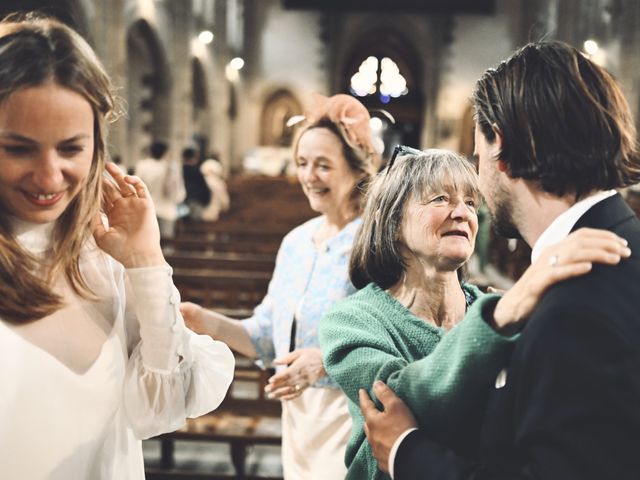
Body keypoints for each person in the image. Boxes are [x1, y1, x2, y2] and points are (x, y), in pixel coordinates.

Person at [359, 41, 640, 480]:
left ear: (501, 148)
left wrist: (406, 452)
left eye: (476, 155)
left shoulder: (575, 303)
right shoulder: (624, 244)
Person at [0, 15, 234, 479]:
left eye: (70, 149)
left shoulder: (101, 261)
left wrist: (146, 262)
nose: (49, 178)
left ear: (98, 146)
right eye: (18, 148)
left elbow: (159, 408)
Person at [319, 146, 628, 479]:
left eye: (470, 202)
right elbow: (397, 406)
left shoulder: (495, 311)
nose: (462, 213)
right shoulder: (352, 321)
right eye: (440, 199)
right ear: (393, 222)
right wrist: (502, 314)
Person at [180, 93, 381, 479]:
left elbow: (395, 339)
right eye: (303, 164)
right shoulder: (296, 243)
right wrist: (206, 321)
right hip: (299, 417)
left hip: (353, 416)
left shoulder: (376, 243)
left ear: (357, 170)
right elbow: (267, 338)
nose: (309, 176)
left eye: (323, 165)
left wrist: (323, 360)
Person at [135, 140, 186, 238]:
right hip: (166, 211)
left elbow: (136, 186)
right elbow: (179, 195)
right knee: (166, 246)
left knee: (147, 243)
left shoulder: (142, 165)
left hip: (146, 210)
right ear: (166, 152)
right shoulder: (171, 167)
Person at [181, 146, 211, 220]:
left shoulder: (179, 171)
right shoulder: (197, 172)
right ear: (195, 158)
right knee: (193, 226)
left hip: (181, 203)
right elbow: (205, 190)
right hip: (195, 203)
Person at [200, 152, 230, 221]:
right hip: (213, 213)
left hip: (199, 213)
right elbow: (224, 202)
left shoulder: (200, 181)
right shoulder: (218, 183)